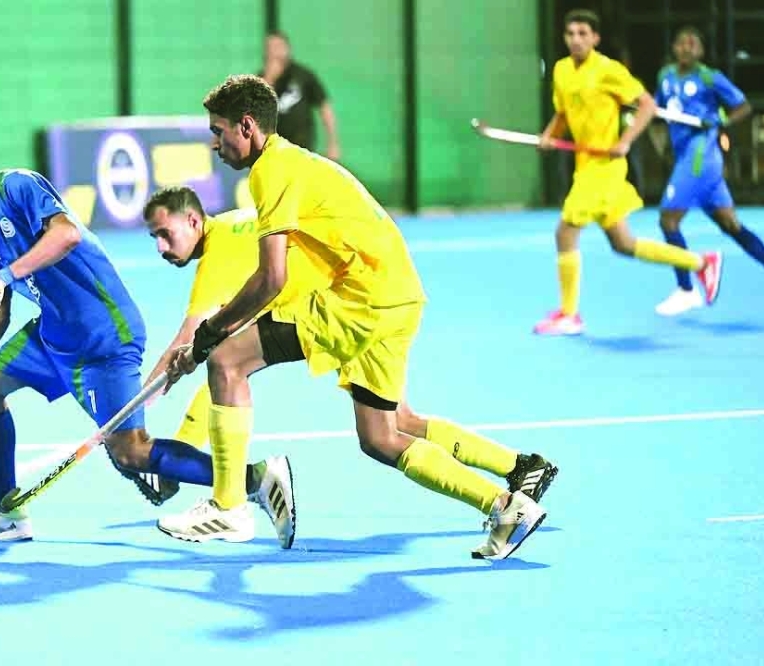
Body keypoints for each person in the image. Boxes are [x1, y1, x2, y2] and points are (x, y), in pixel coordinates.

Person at [157, 75, 551, 560]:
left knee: (226, 362)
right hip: (397, 295)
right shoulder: (294, 162)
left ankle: (230, 506)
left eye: (218, 132)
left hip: (362, 300)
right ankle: (505, 504)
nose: (214, 144)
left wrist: (207, 337)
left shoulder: (271, 171)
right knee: (383, 435)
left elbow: (271, 279)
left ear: (246, 126)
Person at [0, 125, 290, 542]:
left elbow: (66, 234)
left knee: (132, 452)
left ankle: (255, 478)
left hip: (103, 337)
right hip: (51, 335)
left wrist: (6, 275)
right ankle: (7, 513)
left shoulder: (17, 186)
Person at [143, 185, 560, 524]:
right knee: (400, 421)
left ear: (194, 220)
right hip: (357, 295)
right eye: (154, 238)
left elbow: (188, 343)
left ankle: (228, 505)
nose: (161, 247)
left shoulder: (215, 258)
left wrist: (132, 422)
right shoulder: (235, 222)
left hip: (332, 314)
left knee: (232, 368)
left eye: (166, 233)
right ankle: (522, 466)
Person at [535, 9, 723, 335]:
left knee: (565, 233)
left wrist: (624, 141)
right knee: (623, 243)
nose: (576, 40)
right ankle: (701, 262)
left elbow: (648, 105)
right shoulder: (562, 70)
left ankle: (569, 315)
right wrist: (550, 136)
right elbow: (563, 114)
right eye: (571, 34)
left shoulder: (609, 70)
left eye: (583, 34)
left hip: (606, 168)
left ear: (595, 38)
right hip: (585, 166)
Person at [653, 26, 764, 316]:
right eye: (681, 42)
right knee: (730, 225)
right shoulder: (665, 77)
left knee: (668, 220)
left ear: (701, 51)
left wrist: (721, 119)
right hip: (685, 156)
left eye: (693, 43)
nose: (687, 48)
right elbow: (658, 110)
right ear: (674, 48)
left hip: (702, 158)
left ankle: (686, 290)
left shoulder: (710, 78)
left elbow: (743, 106)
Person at [260, 31, 340, 161]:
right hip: (273, 152)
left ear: (287, 49)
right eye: (270, 48)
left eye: (278, 47)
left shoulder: (302, 76)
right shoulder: (261, 79)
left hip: (302, 149)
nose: (274, 52)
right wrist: (270, 79)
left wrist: (332, 142)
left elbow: (324, 108)